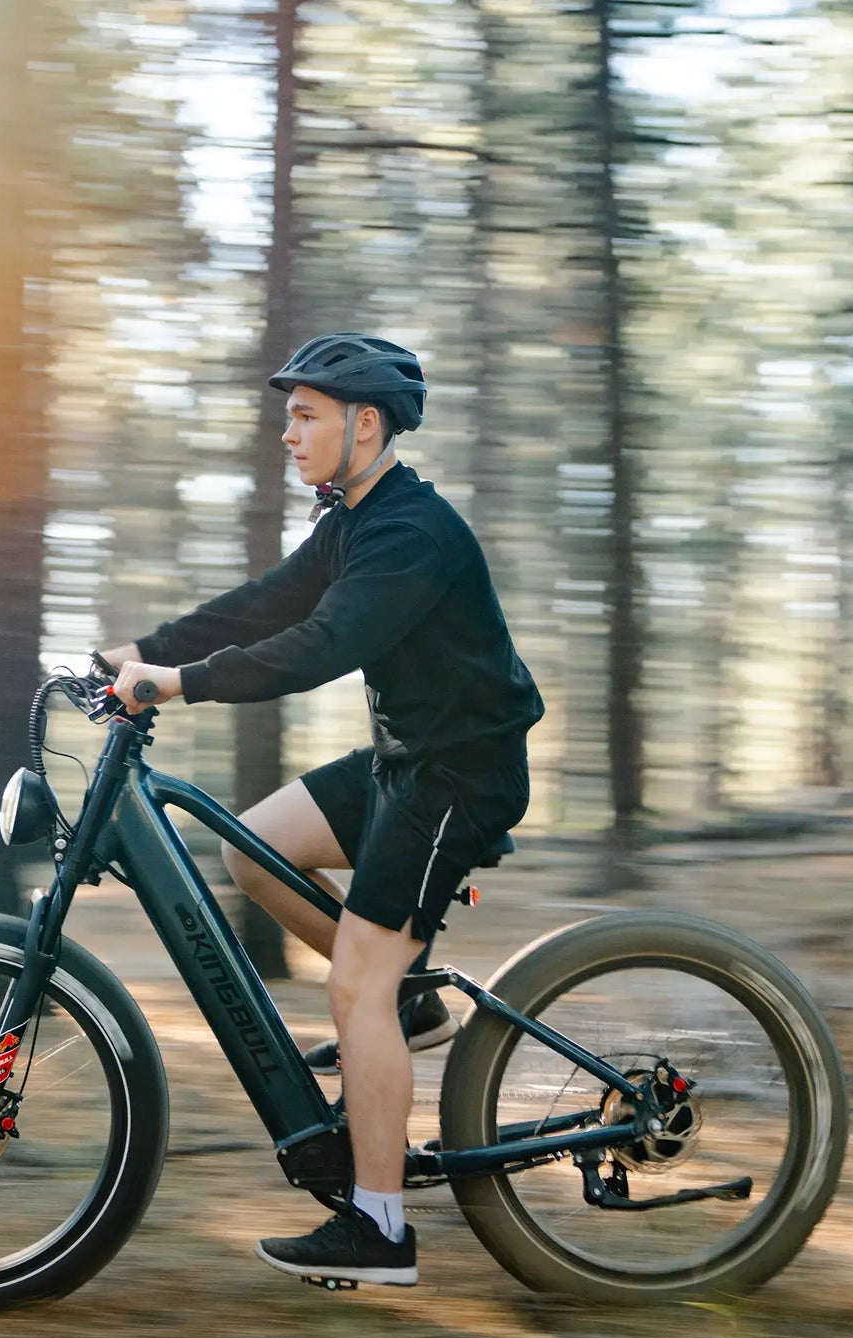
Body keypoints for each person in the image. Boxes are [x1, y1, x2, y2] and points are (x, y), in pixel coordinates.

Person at [98, 332, 544, 1287]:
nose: (288, 436)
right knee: (251, 849)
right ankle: (409, 991)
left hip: (457, 775)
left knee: (353, 988)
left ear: (365, 423)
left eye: (305, 417)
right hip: (402, 759)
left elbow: (319, 645)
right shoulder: (350, 521)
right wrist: (136, 650)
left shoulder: (410, 533)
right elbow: (269, 603)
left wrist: (176, 683)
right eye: (288, 417)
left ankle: (378, 1226)